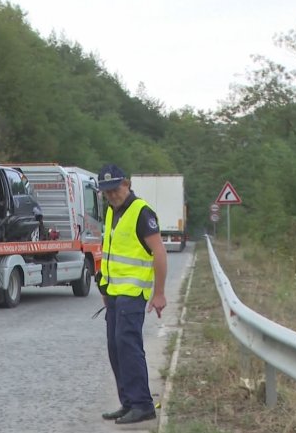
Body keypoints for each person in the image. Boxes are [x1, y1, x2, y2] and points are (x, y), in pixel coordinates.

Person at [96, 164, 167, 425]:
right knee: (116, 349)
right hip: (114, 294)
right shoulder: (112, 212)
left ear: (126, 184)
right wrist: (104, 287)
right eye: (106, 192)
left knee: (129, 348)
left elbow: (159, 252)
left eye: (115, 189)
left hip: (133, 294)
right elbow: (110, 253)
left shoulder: (141, 212)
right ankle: (128, 403)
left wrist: (159, 293)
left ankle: (142, 404)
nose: (111, 195)